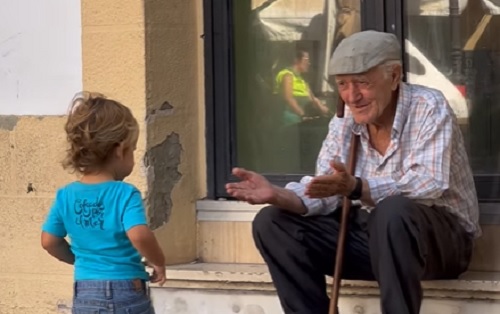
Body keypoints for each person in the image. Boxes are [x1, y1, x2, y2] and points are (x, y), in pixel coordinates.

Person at [226, 30, 480, 314]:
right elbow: (326, 190)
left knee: (393, 211)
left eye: (362, 83)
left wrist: (357, 187)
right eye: (342, 84)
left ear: (394, 76)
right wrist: (278, 195)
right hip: (374, 240)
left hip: (439, 244)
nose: (352, 96)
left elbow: (428, 183)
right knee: (272, 222)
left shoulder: (428, 106)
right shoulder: (346, 119)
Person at [41, 92, 166, 314]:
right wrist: (158, 261)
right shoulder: (124, 193)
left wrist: (78, 260)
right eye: (133, 150)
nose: (133, 158)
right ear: (120, 150)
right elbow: (138, 234)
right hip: (127, 289)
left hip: (85, 291)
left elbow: (49, 241)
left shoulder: (66, 195)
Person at [274, 49, 330, 126]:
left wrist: (324, 109)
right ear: (296, 60)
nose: (309, 63)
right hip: (290, 116)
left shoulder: (302, 79)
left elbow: (312, 98)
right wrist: (303, 115)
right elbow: (288, 98)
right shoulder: (287, 75)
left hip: (301, 115)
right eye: (306, 60)